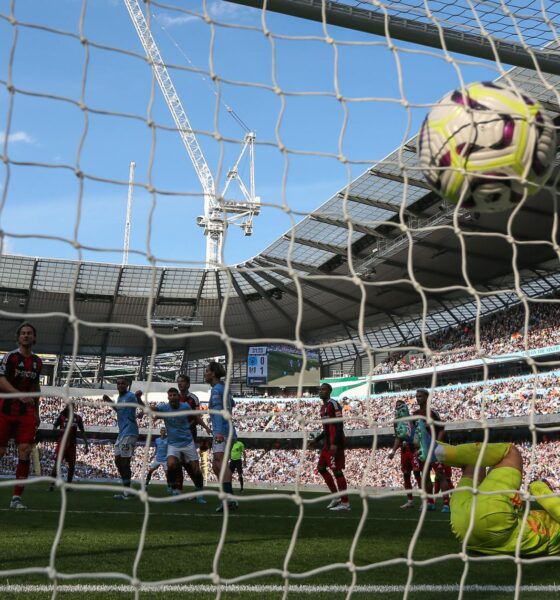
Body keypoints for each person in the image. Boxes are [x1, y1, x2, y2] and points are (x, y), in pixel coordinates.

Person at [416, 421, 560, 556]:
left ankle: (436, 450)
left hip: (497, 523)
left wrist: (540, 484)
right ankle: (420, 441)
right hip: (464, 530)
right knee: (474, 461)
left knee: (510, 452)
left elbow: (545, 498)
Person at [0, 322, 42, 509]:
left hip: (26, 412)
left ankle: (16, 497)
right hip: (6, 408)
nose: (26, 336)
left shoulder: (37, 362)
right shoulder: (10, 357)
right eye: (23, 333)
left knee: (24, 450)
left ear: (34, 338)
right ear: (18, 337)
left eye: (29, 333)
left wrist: (37, 411)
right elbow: (0, 380)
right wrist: (19, 395)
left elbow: (35, 387)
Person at [153, 388, 205, 503]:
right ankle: (173, 490)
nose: (172, 397)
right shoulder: (164, 408)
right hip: (173, 444)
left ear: (177, 396)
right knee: (170, 465)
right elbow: (153, 409)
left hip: (187, 443)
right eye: (170, 395)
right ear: (168, 397)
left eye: (174, 395)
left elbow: (196, 417)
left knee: (196, 470)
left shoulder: (185, 406)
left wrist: (206, 427)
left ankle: (200, 493)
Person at [103, 377, 144, 500]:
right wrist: (110, 401)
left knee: (125, 462)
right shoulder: (119, 398)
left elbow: (142, 406)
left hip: (130, 432)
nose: (120, 385)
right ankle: (128, 488)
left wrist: (140, 407)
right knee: (117, 461)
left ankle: (126, 492)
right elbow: (119, 410)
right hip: (121, 433)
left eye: (123, 383)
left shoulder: (131, 396)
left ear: (127, 385)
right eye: (118, 383)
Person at [205, 361, 237, 512]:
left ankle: (228, 500)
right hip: (229, 431)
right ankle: (228, 496)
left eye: (207, 371)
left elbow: (218, 413)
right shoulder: (224, 388)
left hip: (221, 432)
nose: (205, 374)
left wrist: (217, 433)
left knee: (220, 464)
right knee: (215, 465)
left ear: (213, 373)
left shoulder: (216, 390)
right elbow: (233, 403)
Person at [312, 383, 350, 512]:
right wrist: (316, 440)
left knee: (337, 471)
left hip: (335, 444)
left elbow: (339, 424)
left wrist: (335, 443)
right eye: (320, 389)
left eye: (323, 389)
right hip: (326, 445)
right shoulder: (323, 408)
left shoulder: (333, 404)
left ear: (329, 391)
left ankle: (345, 503)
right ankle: (336, 497)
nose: (321, 391)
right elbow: (326, 429)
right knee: (321, 468)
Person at [414, 388, 452, 512]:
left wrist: (437, 444)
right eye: (417, 396)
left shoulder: (432, 413)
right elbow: (415, 434)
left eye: (420, 396)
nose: (417, 398)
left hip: (434, 449)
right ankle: (430, 502)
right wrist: (416, 447)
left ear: (426, 397)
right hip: (422, 450)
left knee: (441, 475)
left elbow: (442, 428)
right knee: (425, 476)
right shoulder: (415, 414)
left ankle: (446, 504)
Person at [175, 374, 210, 491]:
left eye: (183, 381)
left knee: (191, 462)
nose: (180, 384)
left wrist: (204, 426)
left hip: (189, 433)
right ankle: (179, 489)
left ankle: (199, 487)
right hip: (176, 435)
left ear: (188, 384)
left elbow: (196, 417)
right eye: (178, 381)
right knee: (178, 461)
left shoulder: (193, 399)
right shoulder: (174, 397)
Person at [389, 399, 423, 509]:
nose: (398, 408)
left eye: (400, 405)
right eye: (396, 406)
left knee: (417, 473)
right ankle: (410, 500)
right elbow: (398, 436)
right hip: (404, 451)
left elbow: (419, 433)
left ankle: (425, 500)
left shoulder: (412, 418)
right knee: (406, 475)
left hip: (413, 449)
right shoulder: (396, 421)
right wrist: (393, 451)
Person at [48, 405, 89, 490]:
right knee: (57, 464)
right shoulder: (62, 417)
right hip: (62, 444)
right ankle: (51, 485)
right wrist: (60, 430)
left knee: (72, 466)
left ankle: (68, 486)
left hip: (72, 444)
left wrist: (86, 444)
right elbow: (54, 428)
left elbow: (82, 431)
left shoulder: (78, 418)